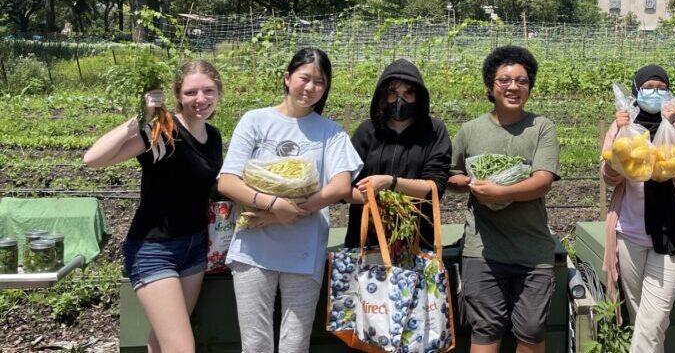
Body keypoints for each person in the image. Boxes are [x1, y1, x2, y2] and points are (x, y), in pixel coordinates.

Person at [216, 48, 362, 353]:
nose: (310, 88)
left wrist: (290, 212)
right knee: (256, 344)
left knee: (295, 344)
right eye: (304, 78)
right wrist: (272, 206)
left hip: (304, 250)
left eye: (319, 82)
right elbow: (227, 181)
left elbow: (340, 186)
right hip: (253, 248)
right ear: (287, 78)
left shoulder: (330, 132)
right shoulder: (255, 121)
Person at [84, 60, 224, 353]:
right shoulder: (163, 130)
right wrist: (138, 120)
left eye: (208, 91)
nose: (200, 99)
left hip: (195, 248)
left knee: (162, 342)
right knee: (181, 347)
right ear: (177, 96)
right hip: (153, 250)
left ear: (219, 93)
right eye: (190, 93)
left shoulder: (213, 137)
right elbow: (93, 159)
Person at [448, 45, 560, 353]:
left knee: (532, 332)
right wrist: (469, 184)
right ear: (490, 86)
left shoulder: (541, 128)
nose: (514, 87)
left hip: (533, 250)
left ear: (530, 87)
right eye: (505, 80)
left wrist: (500, 192)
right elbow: (452, 175)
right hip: (483, 251)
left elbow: (542, 182)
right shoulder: (471, 131)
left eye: (522, 81)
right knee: (485, 329)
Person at [600, 65, 675, 353]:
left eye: (661, 87)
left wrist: (668, 128)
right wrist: (620, 134)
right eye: (648, 87)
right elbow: (608, 176)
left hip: (671, 234)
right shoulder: (623, 122)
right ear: (636, 90)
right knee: (646, 320)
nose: (655, 92)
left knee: (651, 323)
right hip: (628, 234)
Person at [344, 58, 452, 251]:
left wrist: (390, 182)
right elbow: (345, 188)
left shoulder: (434, 131)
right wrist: (376, 199)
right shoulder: (367, 131)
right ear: (383, 96)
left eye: (408, 93)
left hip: (415, 241)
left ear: (418, 96)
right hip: (367, 240)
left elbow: (435, 187)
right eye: (393, 93)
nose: (399, 100)